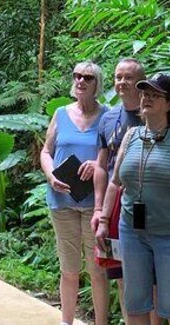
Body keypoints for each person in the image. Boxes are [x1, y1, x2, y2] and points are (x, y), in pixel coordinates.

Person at [97, 73, 170, 325]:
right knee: (135, 302)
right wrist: (103, 220)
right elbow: (115, 183)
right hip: (132, 232)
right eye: (145, 93)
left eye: (155, 95)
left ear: (169, 104)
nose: (147, 98)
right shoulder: (131, 135)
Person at [91, 58, 161, 324]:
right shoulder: (107, 118)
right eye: (118, 77)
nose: (122, 82)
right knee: (120, 273)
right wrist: (99, 210)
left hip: (146, 204)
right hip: (114, 204)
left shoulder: (153, 115)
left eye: (128, 77)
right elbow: (101, 167)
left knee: (149, 277)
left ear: (141, 82)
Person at [40, 61, 110, 325]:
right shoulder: (60, 114)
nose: (81, 81)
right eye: (77, 76)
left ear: (97, 84)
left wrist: (98, 165)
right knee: (69, 269)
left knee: (97, 270)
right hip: (62, 200)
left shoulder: (108, 115)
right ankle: (66, 322)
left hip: (95, 202)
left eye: (88, 78)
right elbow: (46, 151)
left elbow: (114, 156)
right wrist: (50, 174)